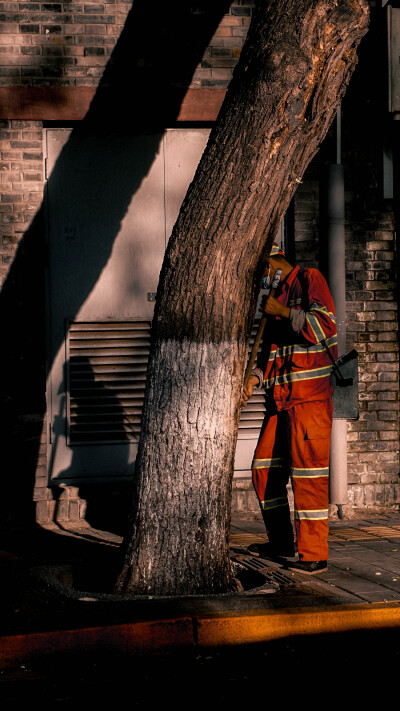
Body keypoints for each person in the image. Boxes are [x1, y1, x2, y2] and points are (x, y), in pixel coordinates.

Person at [241, 242, 337, 575]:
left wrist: (283, 313)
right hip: (281, 402)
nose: (262, 278)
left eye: (263, 270)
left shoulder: (311, 279)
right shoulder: (276, 298)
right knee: (263, 468)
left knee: (308, 476)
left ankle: (314, 553)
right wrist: (254, 380)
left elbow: (325, 327)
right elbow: (269, 356)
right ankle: (281, 542)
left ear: (274, 261)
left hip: (310, 401)